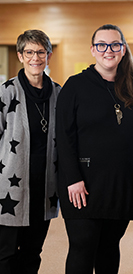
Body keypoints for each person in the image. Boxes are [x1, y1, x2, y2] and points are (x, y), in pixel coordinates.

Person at [56, 23, 133, 274]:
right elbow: (64, 137)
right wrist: (73, 178)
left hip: (123, 183)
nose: (108, 50)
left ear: (123, 50)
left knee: (110, 246)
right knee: (83, 245)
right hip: (84, 184)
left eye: (114, 45)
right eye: (101, 45)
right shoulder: (75, 86)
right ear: (92, 49)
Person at [0, 29, 60, 274]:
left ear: (48, 55)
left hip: (44, 187)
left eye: (40, 52)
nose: (35, 57)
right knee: (5, 254)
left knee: (33, 251)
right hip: (10, 190)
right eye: (29, 52)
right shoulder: (7, 91)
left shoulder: (59, 93)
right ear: (20, 56)